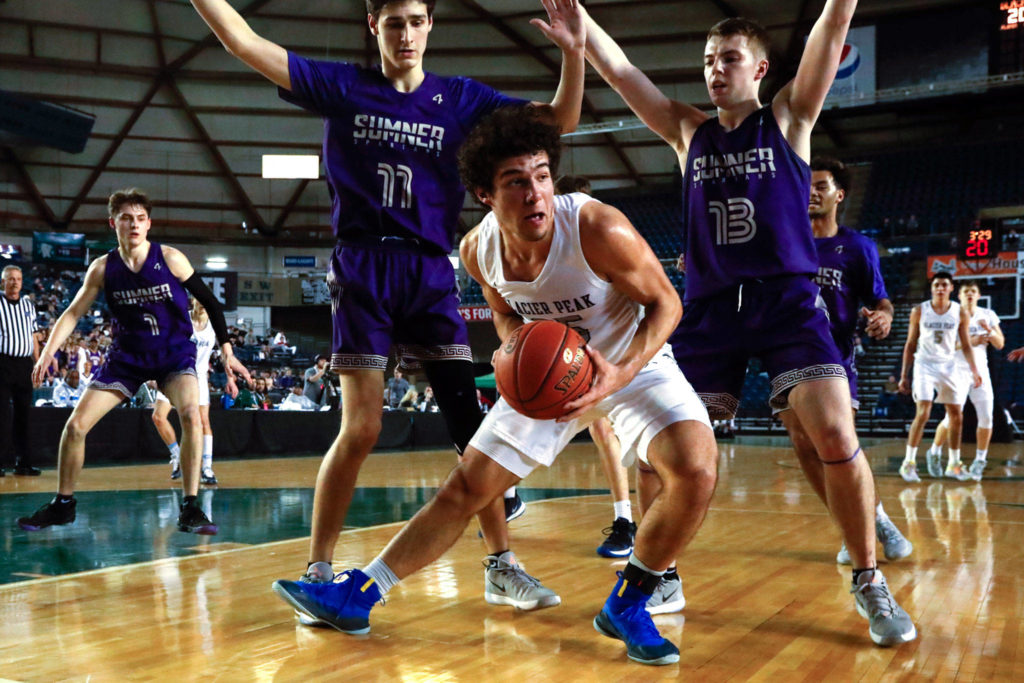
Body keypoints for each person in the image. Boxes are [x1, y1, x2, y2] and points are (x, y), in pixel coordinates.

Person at [272, 107, 716, 666]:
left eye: (541, 176)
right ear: (486, 193)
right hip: (551, 376)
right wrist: (514, 351)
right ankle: (358, 592)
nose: (535, 193)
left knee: (696, 468)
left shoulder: (597, 228)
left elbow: (667, 303)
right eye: (515, 182)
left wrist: (620, 371)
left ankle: (629, 603)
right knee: (465, 488)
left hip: (632, 359)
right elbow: (505, 315)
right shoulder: (477, 251)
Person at [191, 0, 584, 615]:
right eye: (393, 21)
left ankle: (501, 565)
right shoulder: (344, 86)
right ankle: (319, 567)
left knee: (469, 429)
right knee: (363, 427)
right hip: (362, 266)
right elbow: (244, 43)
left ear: (431, 27)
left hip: (429, 268)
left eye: (416, 21)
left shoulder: (460, 98)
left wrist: (573, 51)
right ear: (374, 26)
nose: (406, 33)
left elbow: (558, 120)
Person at [582, 2, 917, 646]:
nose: (715, 71)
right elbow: (623, 71)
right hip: (710, 312)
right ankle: (661, 570)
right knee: (660, 457)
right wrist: (581, 29)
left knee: (833, 433)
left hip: (787, 304)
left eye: (728, 59)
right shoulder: (688, 132)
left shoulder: (788, 119)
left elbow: (832, 32)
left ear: (759, 68)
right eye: (708, 61)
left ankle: (870, 578)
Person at [16, 188, 250, 534]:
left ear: (149, 223)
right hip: (126, 357)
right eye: (127, 218)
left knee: (190, 414)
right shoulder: (102, 268)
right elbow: (72, 312)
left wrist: (227, 350)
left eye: (141, 218)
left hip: (173, 353)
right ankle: (63, 504)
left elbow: (211, 304)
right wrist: (48, 350)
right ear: (114, 223)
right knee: (75, 427)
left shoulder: (170, 258)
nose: (134, 224)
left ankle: (190, 506)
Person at [780, 156, 911, 565]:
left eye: (821, 185)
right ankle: (862, 523)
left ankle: (872, 524)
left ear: (839, 195)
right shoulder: (783, 240)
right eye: (806, 185)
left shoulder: (857, 247)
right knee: (804, 445)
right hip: (784, 353)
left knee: (839, 443)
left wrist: (885, 316)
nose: (811, 192)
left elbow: (880, 299)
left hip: (835, 357)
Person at [554, 174, 639, 563]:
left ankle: (648, 547)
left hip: (632, 355)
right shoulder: (548, 252)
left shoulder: (608, 234)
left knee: (660, 451)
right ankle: (625, 521)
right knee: (601, 431)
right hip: (582, 361)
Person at [898, 271, 982, 483]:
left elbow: (966, 344)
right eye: (937, 285)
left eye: (945, 284)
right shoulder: (919, 311)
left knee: (956, 414)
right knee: (923, 412)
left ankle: (954, 464)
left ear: (951, 288)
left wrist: (974, 370)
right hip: (924, 364)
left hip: (949, 365)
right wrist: (903, 375)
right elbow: (910, 344)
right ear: (932, 288)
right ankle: (908, 463)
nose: (940, 288)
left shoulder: (959, 311)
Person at [926, 281, 1004, 481]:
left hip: (980, 372)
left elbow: (1000, 344)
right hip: (956, 372)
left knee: (986, 417)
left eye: (973, 291)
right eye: (966, 291)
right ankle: (934, 452)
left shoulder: (988, 315)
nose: (970, 294)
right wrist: (971, 342)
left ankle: (980, 460)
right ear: (959, 296)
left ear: (978, 295)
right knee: (951, 418)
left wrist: (990, 332)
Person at [151, 298, 222, 484]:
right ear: (192, 302)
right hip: (174, 372)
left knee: (203, 421)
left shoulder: (215, 325)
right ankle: (177, 457)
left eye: (204, 301)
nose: (202, 304)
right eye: (199, 300)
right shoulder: (182, 319)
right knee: (158, 417)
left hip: (198, 377)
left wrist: (230, 377)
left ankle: (207, 468)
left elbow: (226, 351)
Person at [0, 264, 42, 477]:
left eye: (18, 278)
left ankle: (23, 463)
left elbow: (34, 336)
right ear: (3, 282)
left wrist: (38, 363)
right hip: (3, 363)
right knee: (2, 415)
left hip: (24, 364)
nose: (15, 282)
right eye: (10, 278)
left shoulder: (28, 305)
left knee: (24, 415)